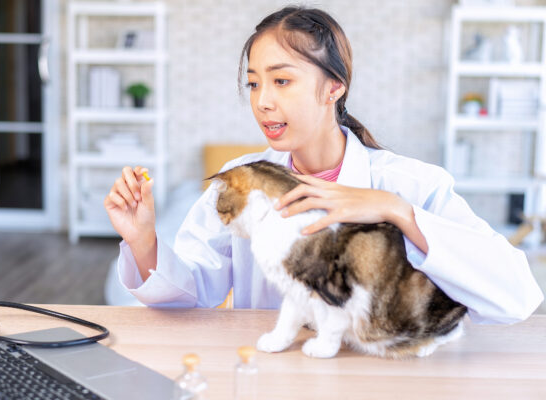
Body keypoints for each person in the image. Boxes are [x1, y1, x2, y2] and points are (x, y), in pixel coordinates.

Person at [104, 6, 543, 323]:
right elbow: (193, 293)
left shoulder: (411, 184)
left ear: (334, 86)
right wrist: (144, 240)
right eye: (253, 83)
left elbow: (517, 297)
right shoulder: (240, 182)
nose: (262, 101)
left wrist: (396, 211)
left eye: (282, 81)